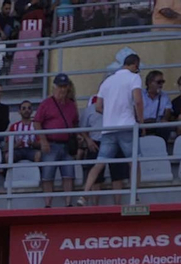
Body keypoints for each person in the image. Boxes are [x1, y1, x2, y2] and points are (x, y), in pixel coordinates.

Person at [81, 52, 143, 202]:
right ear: (134, 65)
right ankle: (135, 196)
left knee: (99, 164)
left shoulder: (107, 82)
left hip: (108, 129)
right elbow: (138, 101)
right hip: (127, 127)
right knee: (134, 162)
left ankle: (84, 195)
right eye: (138, 67)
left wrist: (110, 114)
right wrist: (140, 121)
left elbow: (98, 107)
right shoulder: (134, 77)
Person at [34, 73, 80, 201]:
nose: (63, 89)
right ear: (54, 87)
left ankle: (68, 204)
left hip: (66, 144)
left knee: (69, 175)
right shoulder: (46, 103)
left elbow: (75, 122)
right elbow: (37, 122)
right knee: (48, 176)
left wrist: (76, 138)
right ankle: (48, 204)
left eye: (65, 86)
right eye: (60, 86)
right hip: (51, 143)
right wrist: (43, 141)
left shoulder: (71, 105)